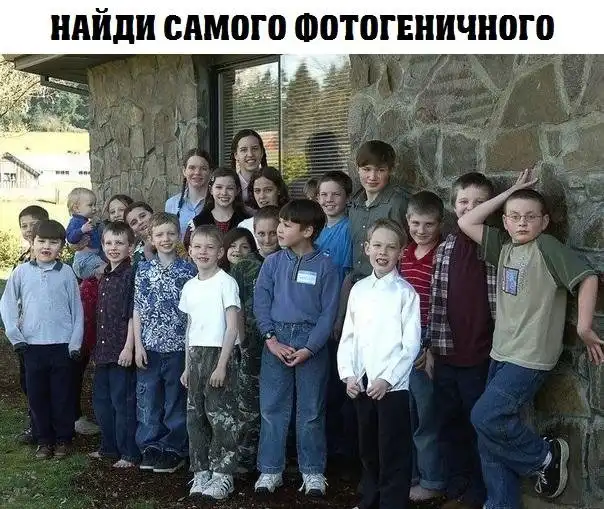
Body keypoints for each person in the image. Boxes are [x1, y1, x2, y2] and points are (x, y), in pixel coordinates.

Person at [458, 169, 603, 509]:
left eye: (531, 217)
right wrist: (511, 190)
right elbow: (466, 222)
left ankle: (544, 457)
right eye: (515, 217)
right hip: (501, 353)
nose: (522, 222)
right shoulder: (503, 248)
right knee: (488, 438)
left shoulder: (546, 247)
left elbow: (588, 278)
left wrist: (583, 327)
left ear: (545, 221)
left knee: (485, 417)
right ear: (505, 222)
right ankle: (501, 504)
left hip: (531, 357)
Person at [253, 199, 340, 497]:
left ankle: (313, 472)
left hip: (311, 342)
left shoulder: (326, 266)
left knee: (311, 410)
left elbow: (329, 313)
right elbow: (261, 303)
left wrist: (310, 348)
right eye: (280, 222)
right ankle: (270, 470)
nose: (279, 229)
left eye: (287, 224)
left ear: (308, 231)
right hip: (276, 339)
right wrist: (271, 339)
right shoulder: (272, 263)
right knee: (272, 408)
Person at [338, 218, 421, 509]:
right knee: (368, 448)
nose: (382, 252)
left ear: (401, 252)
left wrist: (388, 379)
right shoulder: (359, 290)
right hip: (362, 383)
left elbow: (410, 345)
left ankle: (392, 503)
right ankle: (370, 498)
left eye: (390, 247)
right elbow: (349, 336)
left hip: (391, 387)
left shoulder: (405, 293)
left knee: (392, 449)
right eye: (377, 245)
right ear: (366, 248)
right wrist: (349, 375)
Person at [427, 173, 497, 509]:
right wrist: (431, 348)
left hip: (480, 355)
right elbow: (436, 300)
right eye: (463, 201)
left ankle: (479, 492)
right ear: (453, 206)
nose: (470, 207)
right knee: (448, 423)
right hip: (446, 354)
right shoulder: (445, 247)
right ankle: (456, 486)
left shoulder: (493, 245)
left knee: (477, 426)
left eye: (479, 203)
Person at [0, 219, 84, 460]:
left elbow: (77, 310)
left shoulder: (66, 273)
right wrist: (15, 337)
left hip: (62, 346)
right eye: (42, 241)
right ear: (32, 242)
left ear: (62, 246)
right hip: (32, 346)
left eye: (53, 242)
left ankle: (63, 439)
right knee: (37, 397)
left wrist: (75, 343)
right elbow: (7, 305)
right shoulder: (21, 272)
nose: (46, 246)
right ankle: (44, 440)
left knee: (62, 395)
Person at [179, 225, 241, 500]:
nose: (202, 252)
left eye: (209, 247)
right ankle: (201, 470)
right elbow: (189, 329)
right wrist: (187, 366)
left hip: (219, 354)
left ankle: (223, 474)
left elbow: (232, 327)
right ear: (190, 251)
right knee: (196, 417)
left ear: (220, 252)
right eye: (197, 247)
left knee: (221, 417)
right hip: (196, 356)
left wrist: (222, 365)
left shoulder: (226, 283)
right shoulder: (190, 286)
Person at [133, 212, 197, 474]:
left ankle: (173, 447)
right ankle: (150, 445)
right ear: (151, 238)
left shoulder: (189, 270)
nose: (166, 239)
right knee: (149, 399)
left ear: (179, 235)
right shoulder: (143, 270)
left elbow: (193, 313)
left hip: (178, 347)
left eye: (171, 233)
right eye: (159, 234)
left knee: (175, 400)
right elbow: (137, 309)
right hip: (149, 347)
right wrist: (138, 345)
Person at [398, 191, 447, 501]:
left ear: (440, 223)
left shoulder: (442, 255)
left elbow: (444, 302)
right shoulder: (403, 253)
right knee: (407, 413)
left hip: (428, 339)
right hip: (402, 339)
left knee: (426, 415)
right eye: (416, 223)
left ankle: (432, 481)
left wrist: (430, 345)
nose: (421, 230)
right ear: (407, 221)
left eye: (429, 224)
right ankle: (413, 475)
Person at [230, 205, 281, 474]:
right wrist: (240, 341)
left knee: (277, 402)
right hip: (250, 344)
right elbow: (235, 306)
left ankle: (278, 458)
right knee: (248, 404)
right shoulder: (244, 267)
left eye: (273, 232)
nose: (267, 239)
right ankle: (246, 458)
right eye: (261, 233)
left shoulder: (287, 261)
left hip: (281, 343)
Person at [90, 221, 140, 468]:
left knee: (123, 403)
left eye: (119, 243)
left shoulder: (131, 275)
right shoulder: (105, 276)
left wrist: (129, 347)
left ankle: (128, 452)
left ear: (130, 247)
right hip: (102, 350)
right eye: (109, 243)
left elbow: (132, 314)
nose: (113, 247)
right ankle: (108, 447)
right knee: (102, 401)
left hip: (121, 350)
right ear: (102, 245)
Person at [315, 170, 355, 460]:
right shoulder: (316, 229)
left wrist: (339, 318)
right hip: (316, 317)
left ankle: (343, 451)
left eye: (336, 194)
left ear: (347, 198)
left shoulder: (349, 230)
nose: (329, 200)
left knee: (338, 387)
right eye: (324, 194)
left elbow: (348, 277)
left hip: (337, 317)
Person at [7, 205, 50, 445]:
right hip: (25, 332)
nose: (28, 230)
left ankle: (50, 427)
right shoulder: (22, 261)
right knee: (28, 381)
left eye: (33, 224)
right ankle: (35, 423)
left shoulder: (53, 259)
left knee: (47, 383)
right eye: (24, 226)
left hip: (48, 333)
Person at [183, 168, 250, 249]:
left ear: (237, 191)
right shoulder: (197, 223)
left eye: (230, 188)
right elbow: (187, 250)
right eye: (219, 187)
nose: (224, 193)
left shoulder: (246, 222)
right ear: (211, 190)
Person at [165, 149, 212, 238]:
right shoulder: (172, 204)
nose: (197, 172)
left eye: (203, 168)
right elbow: (169, 237)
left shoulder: (216, 203)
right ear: (184, 171)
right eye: (192, 168)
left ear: (210, 172)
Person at [65, 187, 107, 280]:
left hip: (92, 257)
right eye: (90, 205)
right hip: (85, 259)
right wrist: (81, 230)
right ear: (76, 208)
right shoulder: (76, 221)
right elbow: (70, 237)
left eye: (95, 205)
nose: (94, 208)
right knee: (107, 269)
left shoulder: (86, 221)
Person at [238, 166, 289, 240]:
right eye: (257, 191)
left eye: (268, 190)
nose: (262, 196)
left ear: (279, 190)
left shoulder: (291, 224)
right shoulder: (245, 226)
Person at [230, 128, 268, 205]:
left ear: (262, 152)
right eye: (244, 150)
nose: (250, 154)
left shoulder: (273, 183)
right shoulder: (229, 187)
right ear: (236, 155)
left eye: (255, 148)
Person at [124, 201, 156, 270]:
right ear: (132, 231)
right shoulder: (136, 256)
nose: (140, 222)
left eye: (143, 216)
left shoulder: (170, 238)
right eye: (134, 223)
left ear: (153, 214)